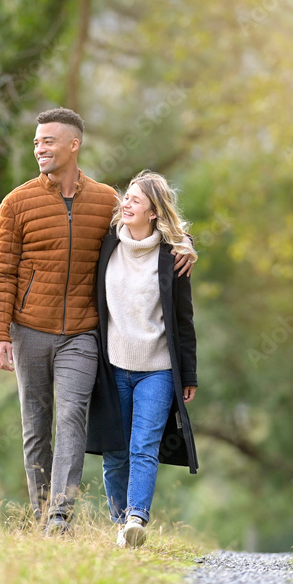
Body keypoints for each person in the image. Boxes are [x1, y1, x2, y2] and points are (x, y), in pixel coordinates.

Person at [0, 108, 192, 535]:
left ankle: (61, 515)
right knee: (36, 425)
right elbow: (0, 271)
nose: (39, 148)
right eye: (37, 141)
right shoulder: (17, 202)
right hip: (28, 330)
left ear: (73, 145)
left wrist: (187, 246)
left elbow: (149, 224)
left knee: (73, 417)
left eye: (48, 141)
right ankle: (41, 512)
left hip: (82, 333)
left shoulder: (104, 201)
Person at [86, 170, 199, 548]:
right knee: (115, 452)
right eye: (126, 197)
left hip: (158, 369)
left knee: (143, 446)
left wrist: (189, 373)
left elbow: (183, 320)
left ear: (154, 212)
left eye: (136, 199)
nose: (126, 203)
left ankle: (136, 518)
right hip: (113, 365)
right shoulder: (106, 244)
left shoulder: (172, 258)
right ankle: (121, 524)